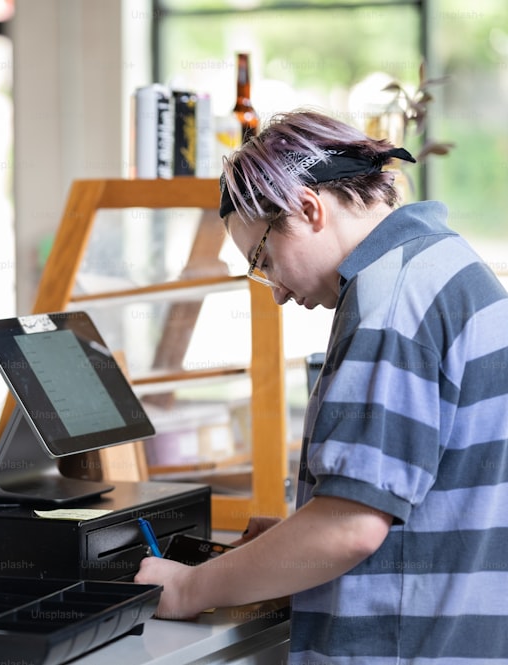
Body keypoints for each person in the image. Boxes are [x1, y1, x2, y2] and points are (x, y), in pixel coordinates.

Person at [135, 109, 508, 663]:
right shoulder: (443, 262)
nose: (276, 293)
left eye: (262, 260)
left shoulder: (389, 302)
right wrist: (294, 539)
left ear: (308, 209)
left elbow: (351, 528)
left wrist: (189, 588)